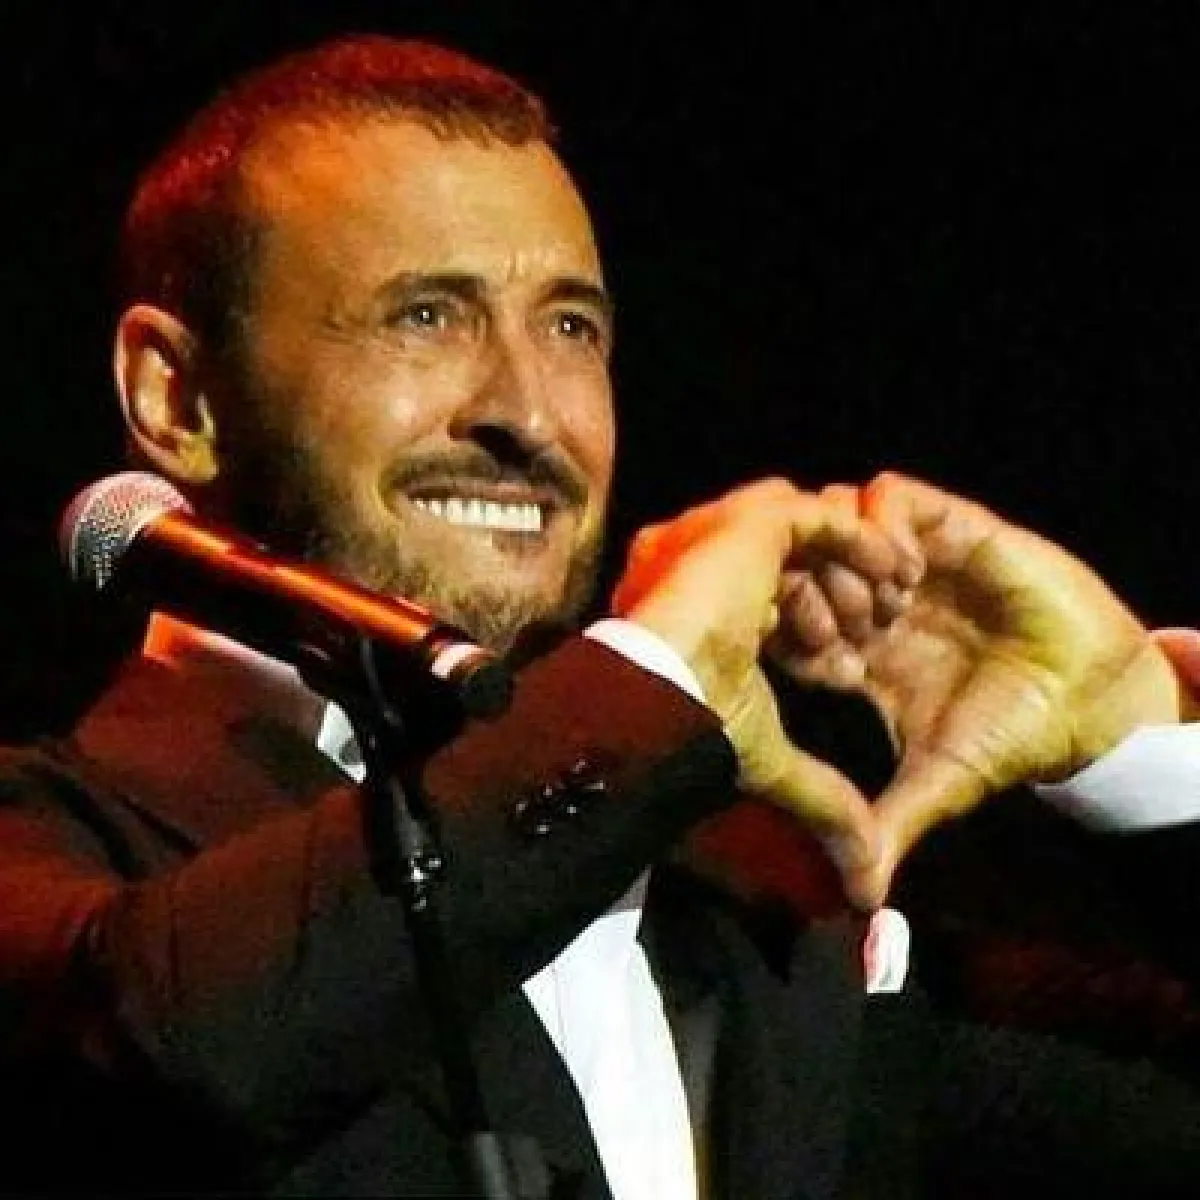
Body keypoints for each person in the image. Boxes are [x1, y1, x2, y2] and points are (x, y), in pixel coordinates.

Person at [0, 32, 1197, 1199]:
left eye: (571, 326)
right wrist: (653, 679)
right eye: (427, 315)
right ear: (177, 397)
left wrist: (1139, 741)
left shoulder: (752, 896)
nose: (530, 414)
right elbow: (172, 1058)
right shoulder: (66, 847)